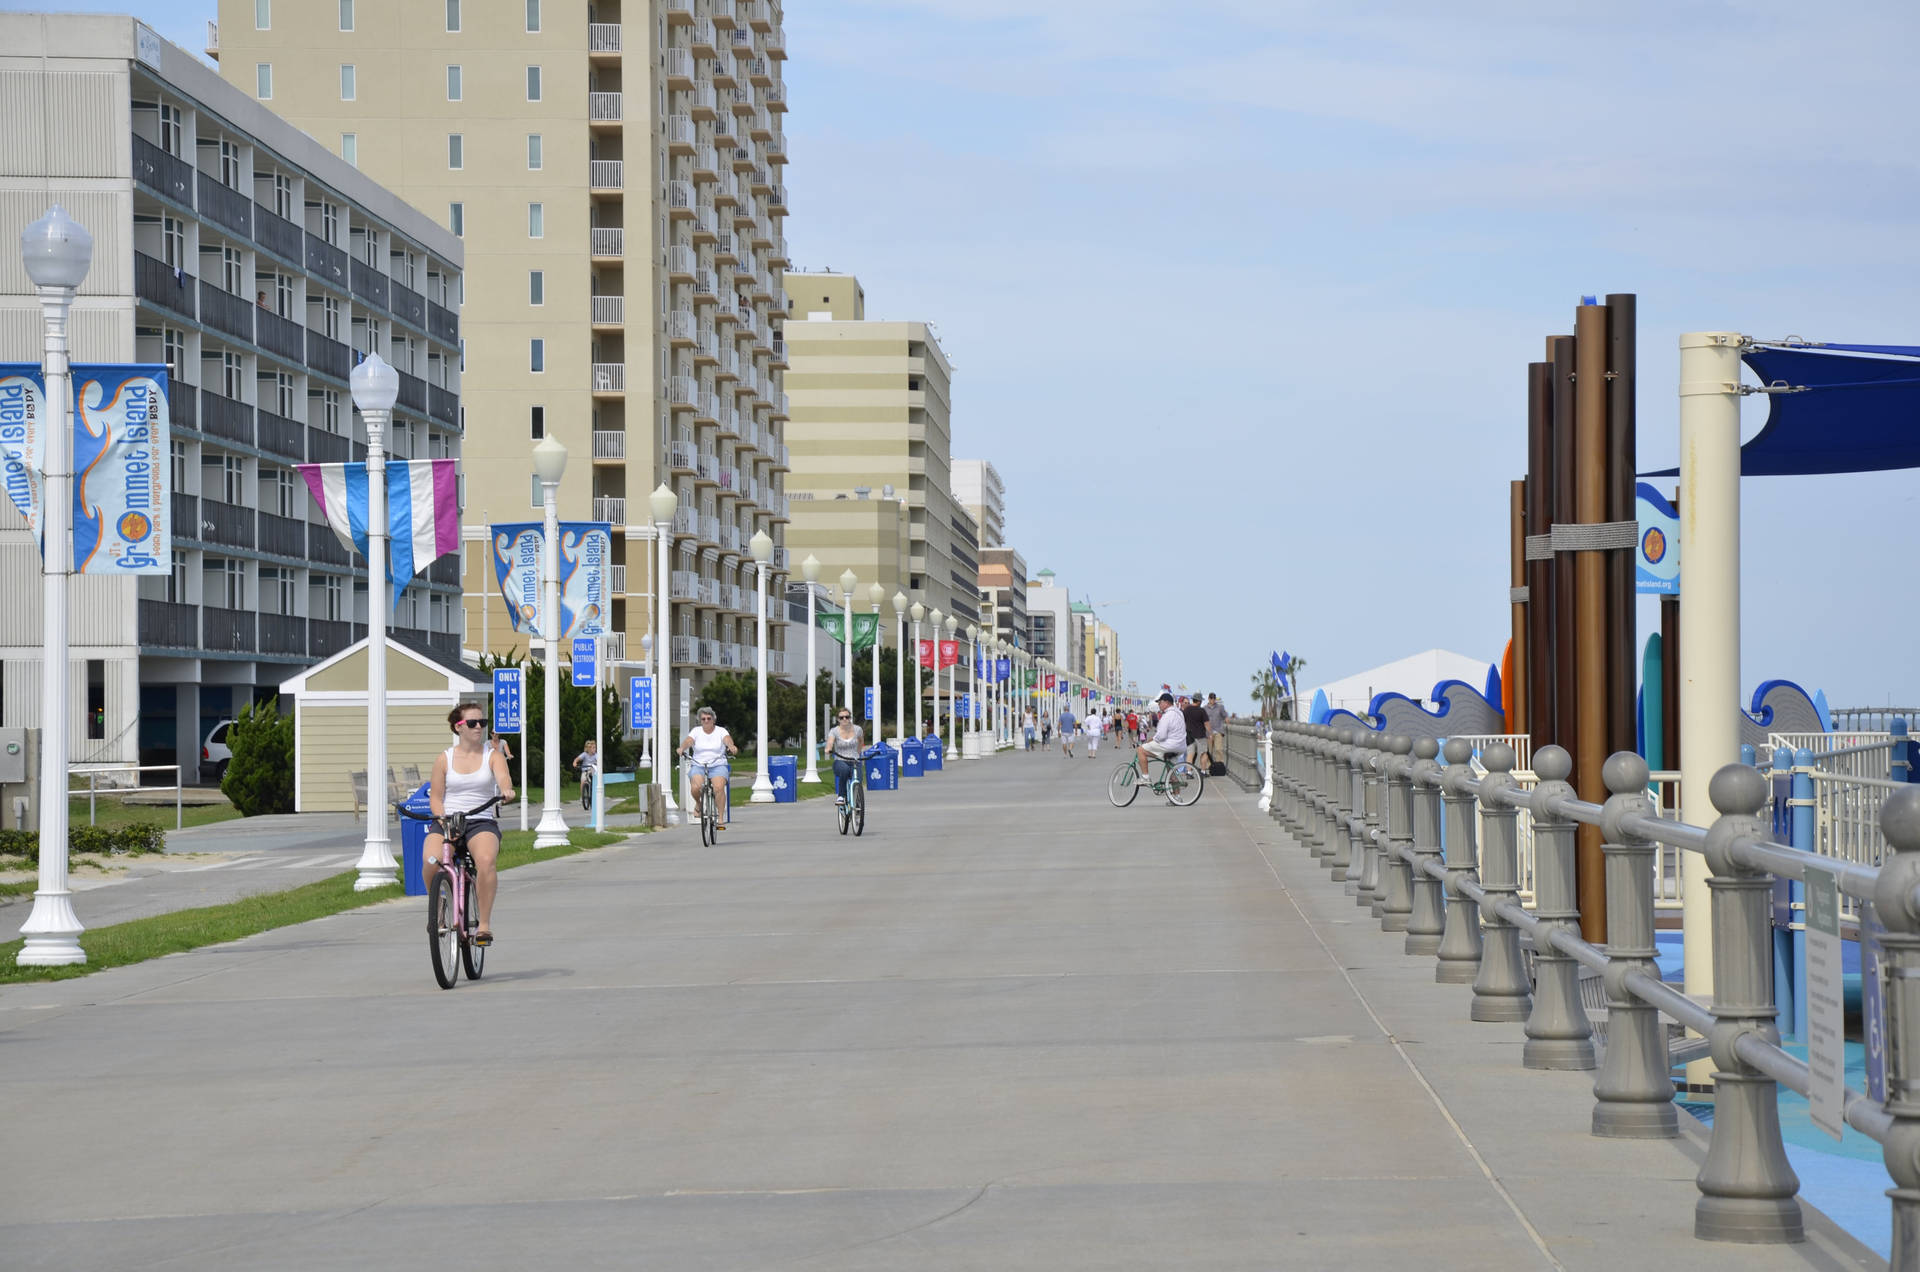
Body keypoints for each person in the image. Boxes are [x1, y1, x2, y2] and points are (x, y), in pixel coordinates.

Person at [425, 703, 515, 946]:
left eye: (482, 723)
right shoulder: (444, 759)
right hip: (448, 819)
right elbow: (435, 796)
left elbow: (503, 779)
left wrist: (506, 790)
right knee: (431, 861)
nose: (479, 727)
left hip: (480, 820)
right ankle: (439, 908)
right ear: (458, 727)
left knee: (485, 861)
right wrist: (442, 819)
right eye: (473, 723)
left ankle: (483, 925)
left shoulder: (492, 756)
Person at [678, 706, 738, 827]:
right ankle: (698, 804)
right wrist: (682, 748)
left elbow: (727, 740)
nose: (706, 721)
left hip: (717, 764)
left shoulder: (721, 731)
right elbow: (689, 741)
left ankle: (720, 818)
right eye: (703, 719)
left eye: (708, 718)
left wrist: (731, 746)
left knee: (718, 788)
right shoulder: (696, 731)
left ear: (713, 720)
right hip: (699, 764)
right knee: (696, 787)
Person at [1138, 691, 1188, 779]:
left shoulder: (1167, 716)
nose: (1159, 705)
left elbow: (1161, 736)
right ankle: (1176, 793)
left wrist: (1152, 739)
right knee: (1171, 771)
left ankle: (1145, 777)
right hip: (1181, 746)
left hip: (1170, 746)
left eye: (1160, 703)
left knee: (1141, 750)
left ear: (1167, 703)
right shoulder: (1180, 713)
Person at [828, 707, 865, 806]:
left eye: (847, 717)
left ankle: (857, 803)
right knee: (844, 770)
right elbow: (830, 742)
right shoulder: (834, 731)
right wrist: (829, 749)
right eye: (841, 717)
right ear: (838, 719)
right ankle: (841, 796)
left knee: (858, 779)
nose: (844, 719)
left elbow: (861, 742)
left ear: (850, 718)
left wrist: (857, 753)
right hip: (840, 760)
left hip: (854, 760)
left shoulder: (858, 729)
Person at [1181, 694, 1211, 768]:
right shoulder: (1201, 710)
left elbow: (1183, 722)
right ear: (1199, 701)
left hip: (1189, 736)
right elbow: (1207, 724)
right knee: (1204, 753)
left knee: (1190, 754)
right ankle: (1203, 771)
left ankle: (1189, 772)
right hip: (1201, 735)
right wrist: (1210, 734)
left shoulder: (1187, 710)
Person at [1206, 693, 1229, 769]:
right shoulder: (1204, 708)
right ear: (1208, 699)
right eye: (1211, 698)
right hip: (1208, 733)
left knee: (1218, 749)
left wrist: (1227, 719)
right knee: (1209, 751)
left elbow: (1225, 715)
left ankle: (1219, 767)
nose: (1212, 700)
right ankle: (1209, 767)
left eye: (1214, 698)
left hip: (1218, 731)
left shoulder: (1220, 707)